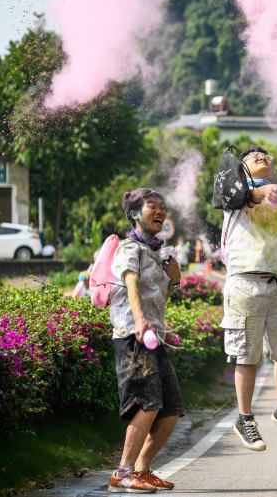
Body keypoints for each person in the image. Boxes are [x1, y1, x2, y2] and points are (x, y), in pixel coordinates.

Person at [219, 145, 277, 452]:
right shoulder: (233, 191)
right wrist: (267, 189)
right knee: (247, 354)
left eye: (266, 155)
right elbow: (253, 195)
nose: (262, 156)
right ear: (241, 166)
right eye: (253, 155)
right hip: (244, 281)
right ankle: (245, 418)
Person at [107, 188, 183, 493]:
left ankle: (142, 469)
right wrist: (139, 320)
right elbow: (131, 283)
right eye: (152, 206)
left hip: (155, 339)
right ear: (135, 213)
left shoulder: (156, 252)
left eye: (162, 206)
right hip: (132, 336)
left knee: (171, 410)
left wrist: (174, 280)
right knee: (147, 404)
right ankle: (122, 472)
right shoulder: (130, 248)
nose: (160, 211)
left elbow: (160, 298)